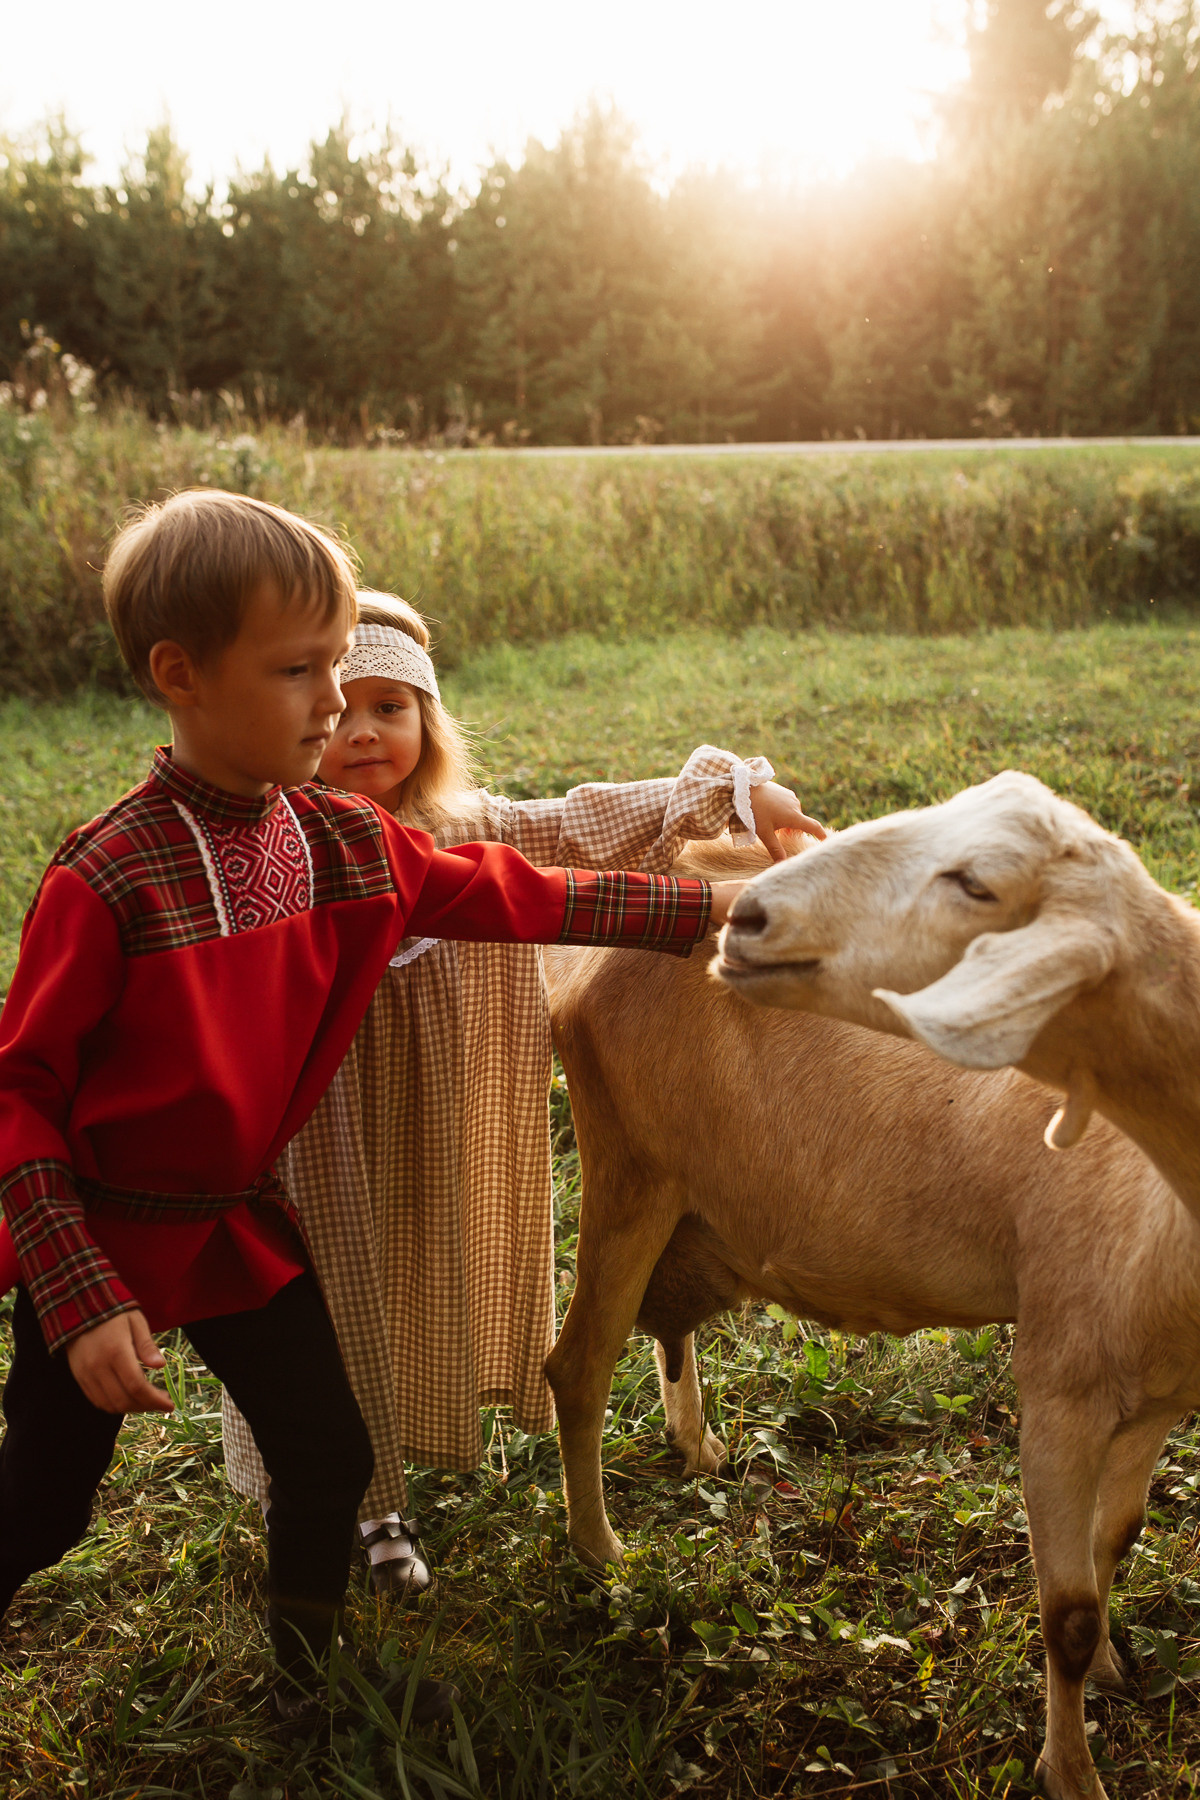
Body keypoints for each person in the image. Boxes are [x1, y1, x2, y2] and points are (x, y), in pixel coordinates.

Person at [0, 490, 748, 1724]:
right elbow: (23, 1096)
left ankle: (307, 1678)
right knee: (45, 1501)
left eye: (345, 666)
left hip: (240, 1232)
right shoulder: (105, 874)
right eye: (300, 671)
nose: (338, 703)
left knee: (332, 1455)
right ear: (179, 676)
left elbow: (510, 889)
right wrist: (82, 1301)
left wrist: (705, 913)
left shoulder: (340, 841)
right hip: (103, 1236)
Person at [221, 593, 825, 1596]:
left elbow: (587, 823)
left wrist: (736, 791)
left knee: (417, 1286)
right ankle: (355, 1503)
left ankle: (386, 1477)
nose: (366, 732)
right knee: (331, 1299)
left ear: (428, 720)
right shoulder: (286, 843)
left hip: (445, 1124)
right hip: (321, 1128)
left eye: (393, 707)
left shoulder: (473, 825)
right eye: (344, 712)